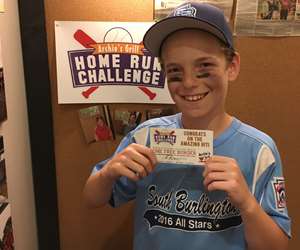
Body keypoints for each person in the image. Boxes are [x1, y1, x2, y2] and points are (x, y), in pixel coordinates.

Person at [83, 2, 291, 250]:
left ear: (232, 66)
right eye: (175, 72)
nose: (189, 83)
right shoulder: (145, 136)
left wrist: (246, 203)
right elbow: (91, 199)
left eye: (204, 68)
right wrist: (108, 173)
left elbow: (277, 246)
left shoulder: (259, 150)